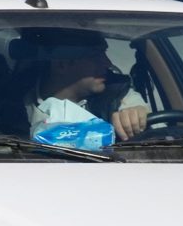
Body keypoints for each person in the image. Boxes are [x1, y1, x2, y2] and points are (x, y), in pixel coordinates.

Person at [21, 28, 149, 149]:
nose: (107, 63)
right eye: (96, 56)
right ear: (61, 65)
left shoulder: (116, 95)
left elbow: (134, 106)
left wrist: (135, 114)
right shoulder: (13, 106)